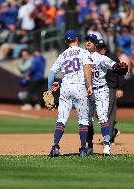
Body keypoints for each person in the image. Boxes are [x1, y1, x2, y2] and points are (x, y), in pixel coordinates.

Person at [48, 29, 93, 157]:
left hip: (66, 88)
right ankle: (83, 149)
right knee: (83, 120)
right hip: (79, 87)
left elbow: (51, 74)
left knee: (62, 119)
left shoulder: (63, 55)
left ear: (66, 42)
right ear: (77, 39)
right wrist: (89, 85)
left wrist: (49, 90)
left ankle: (55, 147)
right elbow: (87, 67)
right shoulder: (84, 52)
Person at [84, 34, 125, 155]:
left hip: (101, 90)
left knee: (102, 118)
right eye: (87, 40)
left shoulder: (102, 58)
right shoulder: (81, 56)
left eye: (91, 41)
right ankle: (89, 146)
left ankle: (107, 145)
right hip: (88, 92)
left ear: (95, 45)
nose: (88, 42)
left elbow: (114, 65)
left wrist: (119, 67)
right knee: (88, 120)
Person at [96, 39, 125, 145]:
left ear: (106, 48)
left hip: (110, 89)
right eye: (99, 47)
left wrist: (120, 87)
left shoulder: (112, 58)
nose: (101, 49)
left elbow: (121, 73)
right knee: (100, 113)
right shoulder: (94, 58)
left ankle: (109, 138)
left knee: (109, 114)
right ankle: (112, 132)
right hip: (97, 89)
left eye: (103, 47)